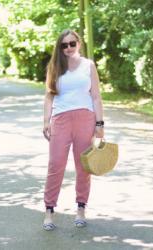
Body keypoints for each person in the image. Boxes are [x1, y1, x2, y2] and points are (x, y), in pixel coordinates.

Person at [42, 29, 104, 231]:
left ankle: (81, 208)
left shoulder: (89, 65)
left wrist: (99, 124)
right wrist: (46, 121)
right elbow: (49, 97)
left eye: (72, 44)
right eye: (64, 45)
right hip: (60, 120)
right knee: (55, 165)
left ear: (79, 43)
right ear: (59, 47)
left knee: (83, 167)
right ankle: (50, 210)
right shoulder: (54, 67)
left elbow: (96, 96)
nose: (68, 48)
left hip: (85, 119)